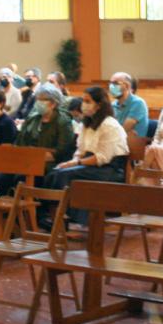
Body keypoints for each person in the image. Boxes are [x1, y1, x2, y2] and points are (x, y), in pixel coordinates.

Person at [44, 86, 130, 225]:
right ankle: (52, 215)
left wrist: (76, 163)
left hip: (109, 169)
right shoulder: (87, 124)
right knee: (55, 171)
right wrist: (72, 161)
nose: (83, 105)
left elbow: (102, 157)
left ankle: (72, 217)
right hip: (89, 165)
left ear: (99, 105)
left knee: (65, 175)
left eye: (88, 101)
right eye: (83, 100)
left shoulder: (109, 125)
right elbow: (80, 150)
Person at [0, 85, 78, 197]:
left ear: (53, 103)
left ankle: (27, 211)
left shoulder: (63, 122)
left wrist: (36, 154)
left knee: (21, 179)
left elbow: (62, 151)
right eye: (38, 99)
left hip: (49, 163)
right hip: (26, 158)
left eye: (43, 99)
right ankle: (7, 210)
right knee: (0, 178)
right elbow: (20, 141)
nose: (38, 102)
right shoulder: (33, 117)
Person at [109, 71, 149, 138]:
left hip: (133, 145)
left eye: (115, 83)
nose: (111, 86)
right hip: (117, 141)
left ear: (127, 86)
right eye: (110, 83)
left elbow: (122, 131)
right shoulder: (113, 104)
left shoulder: (138, 103)